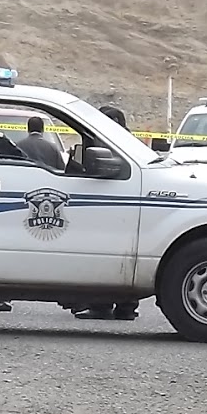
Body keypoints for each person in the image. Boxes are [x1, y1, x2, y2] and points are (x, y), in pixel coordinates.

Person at [67, 105, 140, 322]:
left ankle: (102, 306)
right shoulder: (130, 143)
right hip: (125, 206)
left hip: (107, 205)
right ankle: (126, 307)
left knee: (104, 255)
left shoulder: (105, 142)